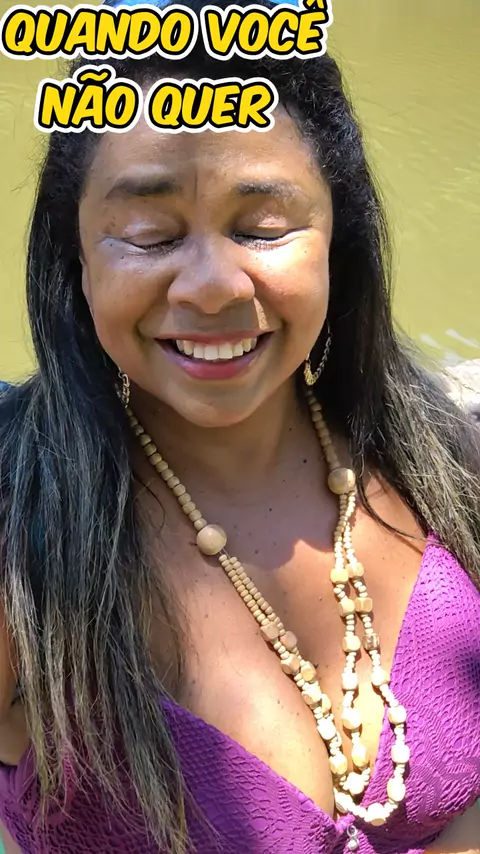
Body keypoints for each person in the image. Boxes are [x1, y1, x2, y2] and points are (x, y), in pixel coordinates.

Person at [0, 0, 478, 851]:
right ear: (76, 260)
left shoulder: (441, 463)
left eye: (262, 228)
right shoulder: (21, 546)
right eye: (148, 236)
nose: (214, 285)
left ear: (338, 237)